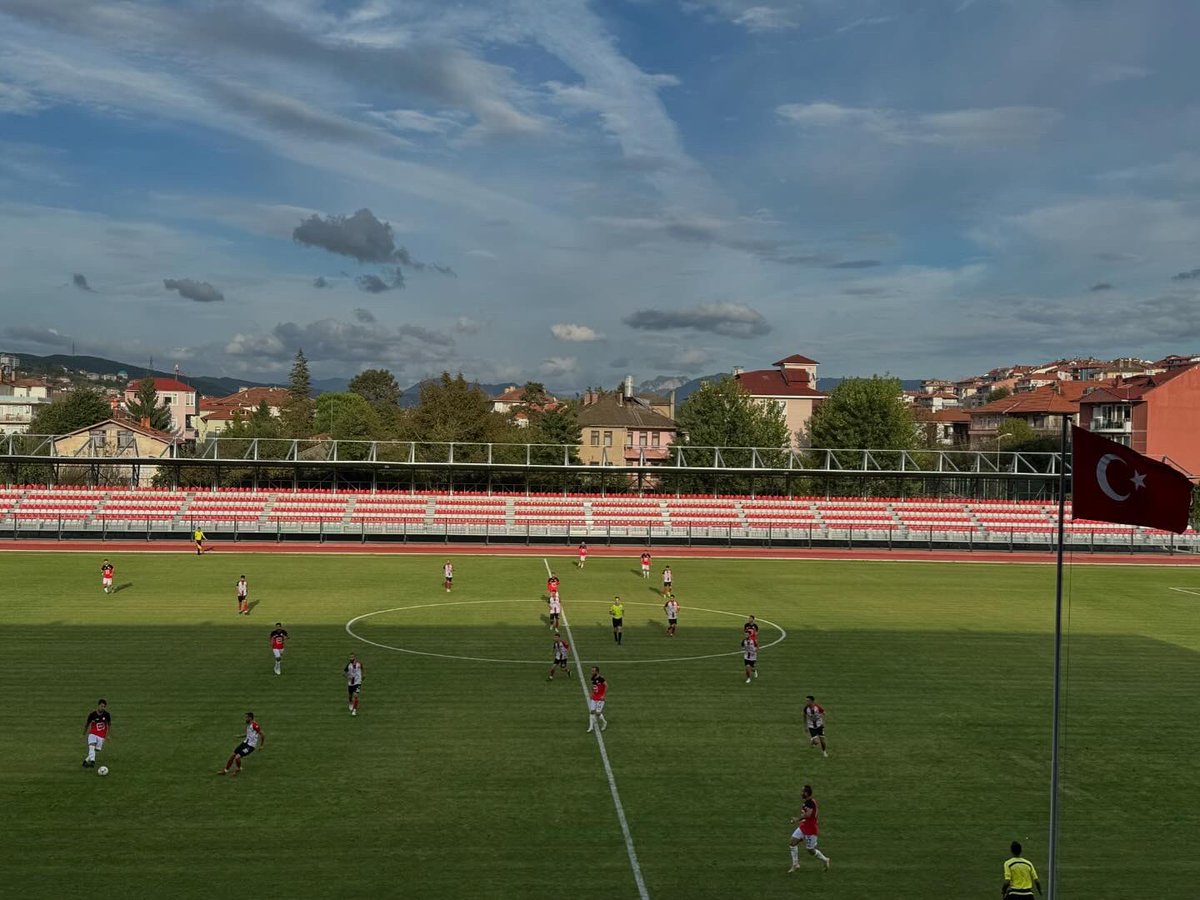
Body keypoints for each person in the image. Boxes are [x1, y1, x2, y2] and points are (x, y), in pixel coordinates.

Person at [789, 784, 831, 872]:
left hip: (810, 830)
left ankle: (825, 860)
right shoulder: (808, 802)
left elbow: (808, 815)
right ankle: (795, 864)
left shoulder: (810, 803)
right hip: (804, 826)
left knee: (810, 850)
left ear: (806, 793)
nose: (801, 793)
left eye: (802, 791)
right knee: (792, 842)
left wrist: (797, 819)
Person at [220, 712, 264, 777]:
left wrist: (261, 745)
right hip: (245, 743)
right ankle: (225, 771)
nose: (245, 719)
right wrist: (240, 736)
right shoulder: (249, 725)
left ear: (250, 718)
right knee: (233, 755)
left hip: (250, 746)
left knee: (237, 757)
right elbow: (249, 735)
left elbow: (262, 735)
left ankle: (238, 769)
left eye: (246, 717)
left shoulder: (255, 725)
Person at [83, 699, 111, 769]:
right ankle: (92, 762)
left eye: (104, 707)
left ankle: (85, 761)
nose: (103, 708)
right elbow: (87, 724)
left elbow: (109, 724)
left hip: (101, 736)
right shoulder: (92, 715)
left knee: (97, 749)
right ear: (98, 706)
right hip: (93, 734)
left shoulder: (107, 715)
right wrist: (84, 732)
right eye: (101, 706)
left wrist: (107, 735)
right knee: (91, 747)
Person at [587, 667, 607, 732]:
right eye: (592, 671)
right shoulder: (592, 678)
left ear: (597, 672)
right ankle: (591, 727)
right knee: (592, 712)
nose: (592, 672)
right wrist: (591, 693)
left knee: (598, 713)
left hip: (600, 698)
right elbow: (593, 686)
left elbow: (606, 686)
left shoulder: (601, 678)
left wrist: (603, 695)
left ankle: (604, 722)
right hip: (594, 697)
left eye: (593, 671)